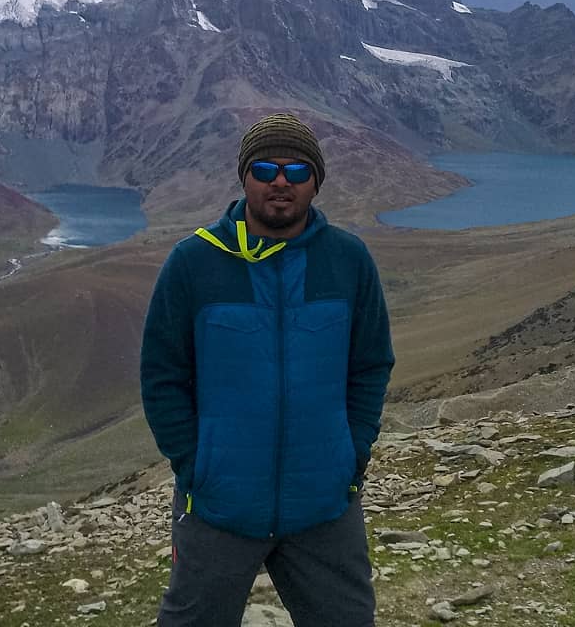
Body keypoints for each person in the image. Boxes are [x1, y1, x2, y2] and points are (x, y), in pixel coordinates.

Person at [140, 112, 395, 627]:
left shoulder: (348, 260)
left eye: (299, 171)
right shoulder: (194, 263)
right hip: (219, 506)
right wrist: (196, 467)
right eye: (266, 169)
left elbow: (370, 365)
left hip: (323, 504)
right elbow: (162, 376)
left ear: (316, 182)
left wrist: (353, 451)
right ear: (244, 178)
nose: (282, 181)